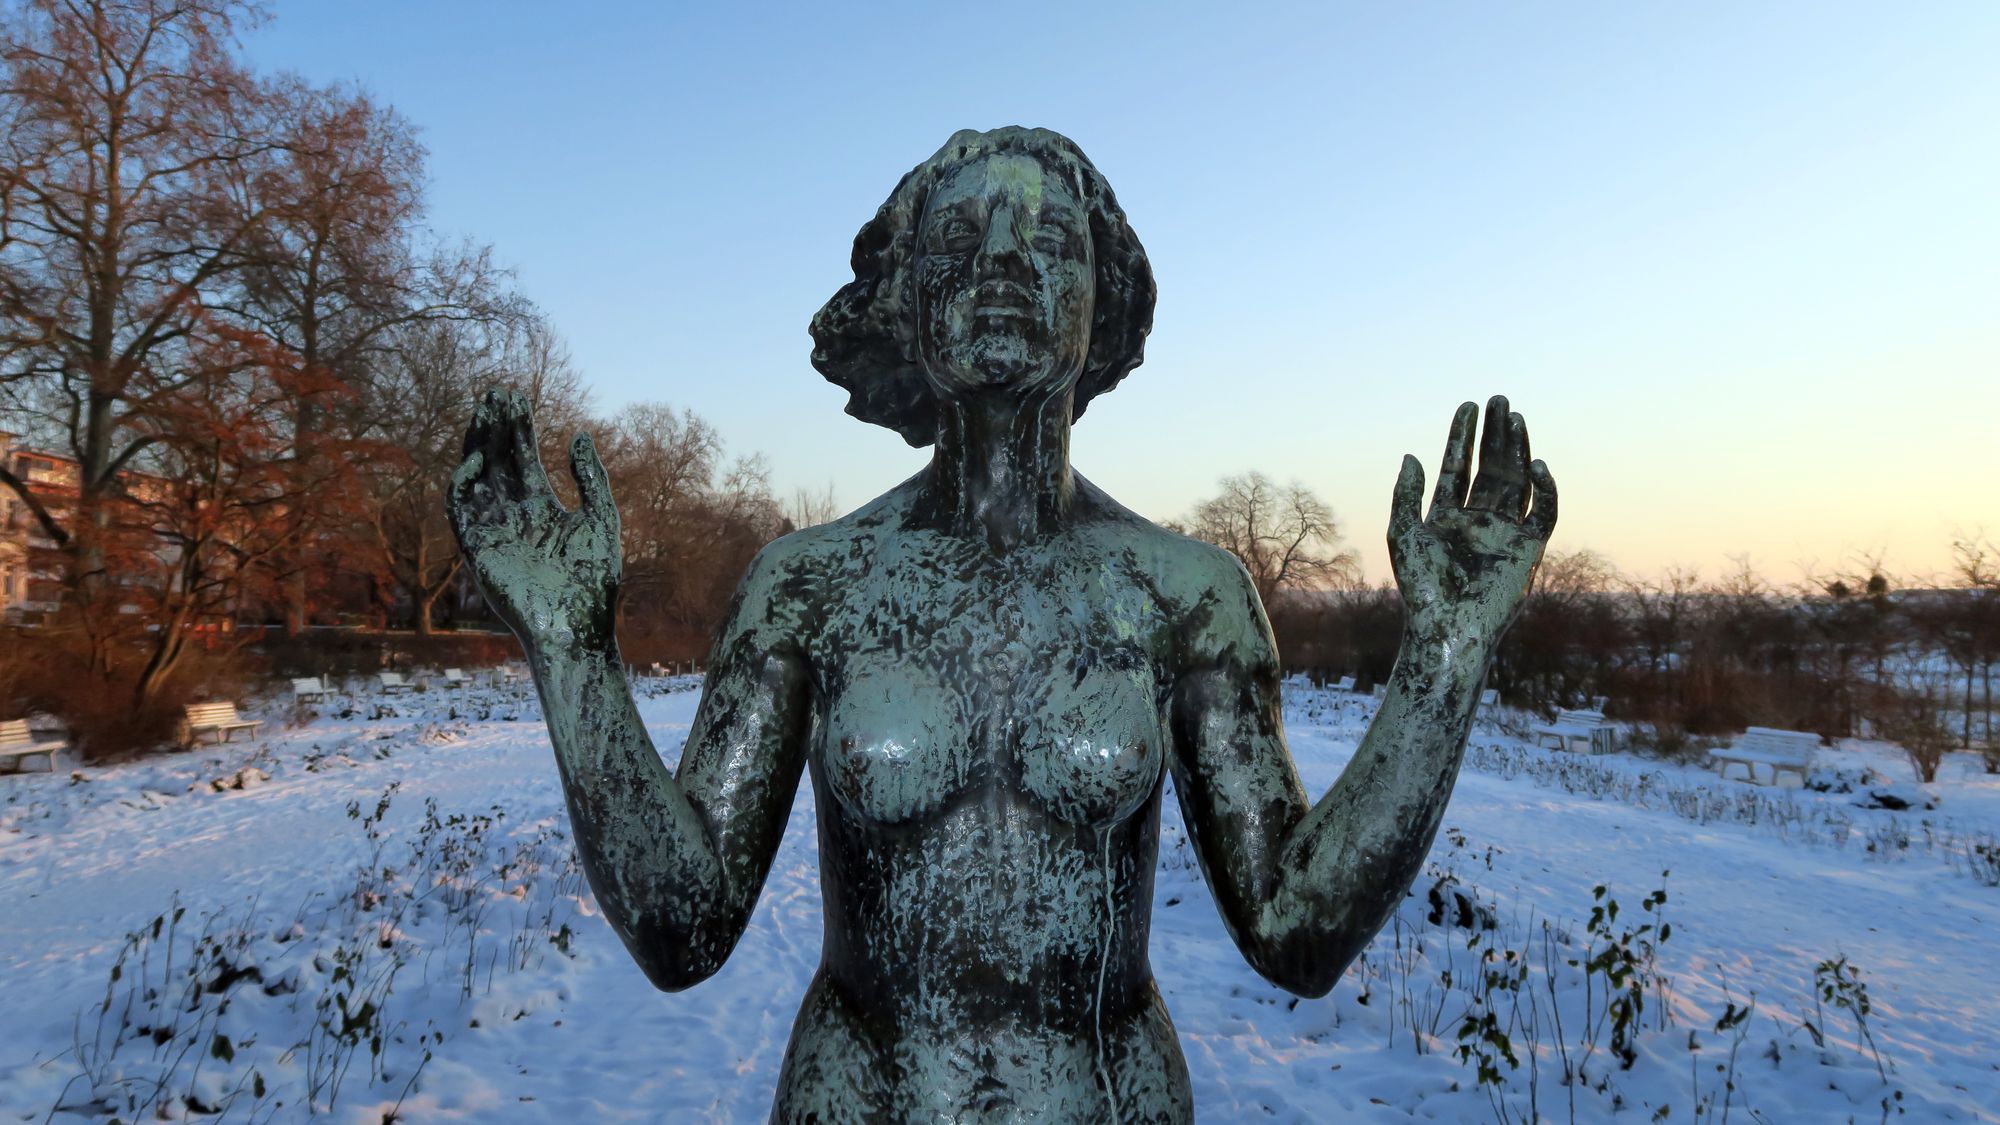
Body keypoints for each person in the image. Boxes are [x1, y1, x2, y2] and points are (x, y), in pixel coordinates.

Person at [448, 126, 1555, 1124]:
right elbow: (681, 929)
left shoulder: (1184, 593)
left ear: (1100, 303)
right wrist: (572, 650)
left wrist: (1445, 655)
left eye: (1049, 238)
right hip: (862, 1098)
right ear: (908, 302)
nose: (1002, 260)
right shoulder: (808, 585)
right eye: (959, 238)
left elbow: (1294, 931)